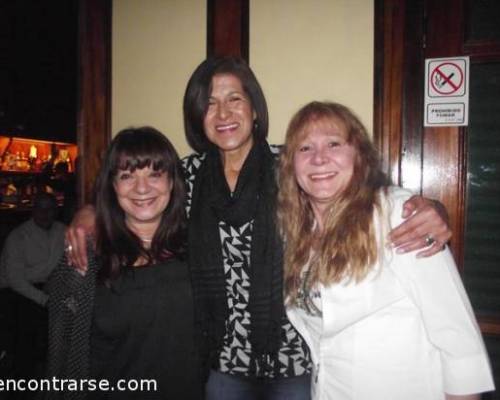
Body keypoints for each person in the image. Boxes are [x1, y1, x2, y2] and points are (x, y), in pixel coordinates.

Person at [65, 57, 452, 400]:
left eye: (234, 98)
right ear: (198, 115)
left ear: (254, 109)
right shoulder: (190, 175)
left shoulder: (291, 166)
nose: (223, 112)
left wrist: (428, 207)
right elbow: (143, 193)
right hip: (220, 362)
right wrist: (88, 215)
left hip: (293, 359)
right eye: (210, 103)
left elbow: (358, 194)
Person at [278, 101, 494, 400]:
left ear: (360, 156)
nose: (319, 158)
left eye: (333, 144)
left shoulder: (397, 215)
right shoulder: (297, 233)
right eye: (305, 148)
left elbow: (457, 337)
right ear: (291, 163)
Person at [46, 127, 202, 399]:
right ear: (112, 186)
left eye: (155, 174)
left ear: (172, 182)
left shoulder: (200, 248)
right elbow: (62, 353)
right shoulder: (86, 257)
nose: (142, 188)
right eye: (127, 176)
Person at [0, 192, 65, 382]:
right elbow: (15, 280)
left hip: (48, 285)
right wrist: (46, 300)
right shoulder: (18, 237)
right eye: (41, 209)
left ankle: (54, 374)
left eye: (50, 209)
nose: (46, 214)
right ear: (33, 211)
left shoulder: (63, 231)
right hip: (14, 290)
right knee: (27, 326)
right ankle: (23, 379)